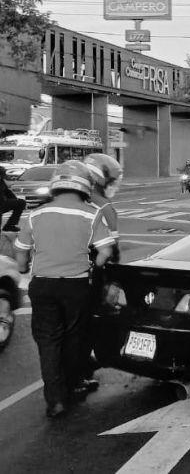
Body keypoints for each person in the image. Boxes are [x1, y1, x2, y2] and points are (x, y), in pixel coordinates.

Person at [13, 160, 114, 418]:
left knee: (48, 342)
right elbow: (105, 250)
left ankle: (55, 400)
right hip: (76, 286)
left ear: (56, 186)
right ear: (84, 187)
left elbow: (21, 251)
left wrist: (24, 268)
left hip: (43, 286)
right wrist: (93, 265)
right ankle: (70, 387)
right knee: (72, 338)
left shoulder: (36, 214)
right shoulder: (91, 214)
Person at [81, 152, 124, 392]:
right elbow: (112, 250)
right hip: (92, 273)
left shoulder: (63, 202)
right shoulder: (104, 207)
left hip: (53, 274)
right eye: (110, 182)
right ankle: (83, 369)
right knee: (91, 322)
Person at [0, 166, 26, 232]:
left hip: (2, 204)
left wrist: (15, 200)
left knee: (21, 203)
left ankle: (10, 225)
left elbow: (7, 192)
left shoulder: (1, 182)